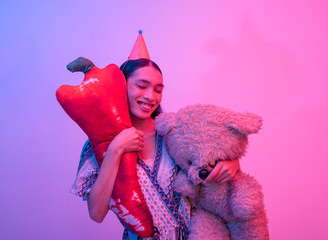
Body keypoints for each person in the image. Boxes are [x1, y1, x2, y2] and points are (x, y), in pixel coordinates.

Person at [70, 32, 241, 240]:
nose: (151, 96)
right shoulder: (99, 144)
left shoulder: (176, 132)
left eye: (158, 90)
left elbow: (211, 170)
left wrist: (232, 166)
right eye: (141, 86)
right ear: (121, 86)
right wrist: (116, 149)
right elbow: (96, 214)